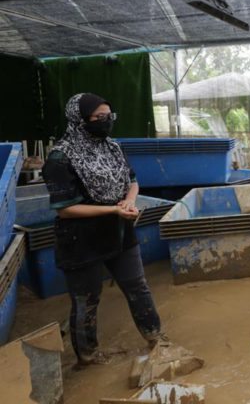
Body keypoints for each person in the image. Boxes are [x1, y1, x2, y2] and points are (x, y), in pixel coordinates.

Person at [42, 93, 164, 366]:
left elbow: (132, 180)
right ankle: (88, 356)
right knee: (86, 299)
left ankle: (156, 338)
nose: (106, 122)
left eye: (110, 116)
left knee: (137, 285)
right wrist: (113, 209)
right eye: (99, 118)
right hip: (80, 238)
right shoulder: (60, 159)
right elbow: (65, 208)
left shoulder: (113, 147)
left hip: (119, 230)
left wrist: (129, 200)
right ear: (79, 119)